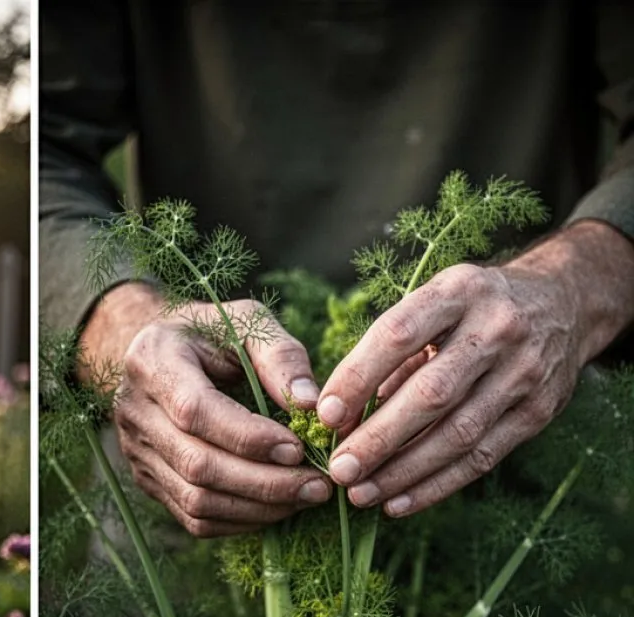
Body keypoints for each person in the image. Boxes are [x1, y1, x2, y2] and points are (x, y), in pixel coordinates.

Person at [40, 0, 634, 537]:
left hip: (527, 452)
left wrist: (572, 285)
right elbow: (43, 149)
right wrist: (120, 327)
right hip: (186, 460)